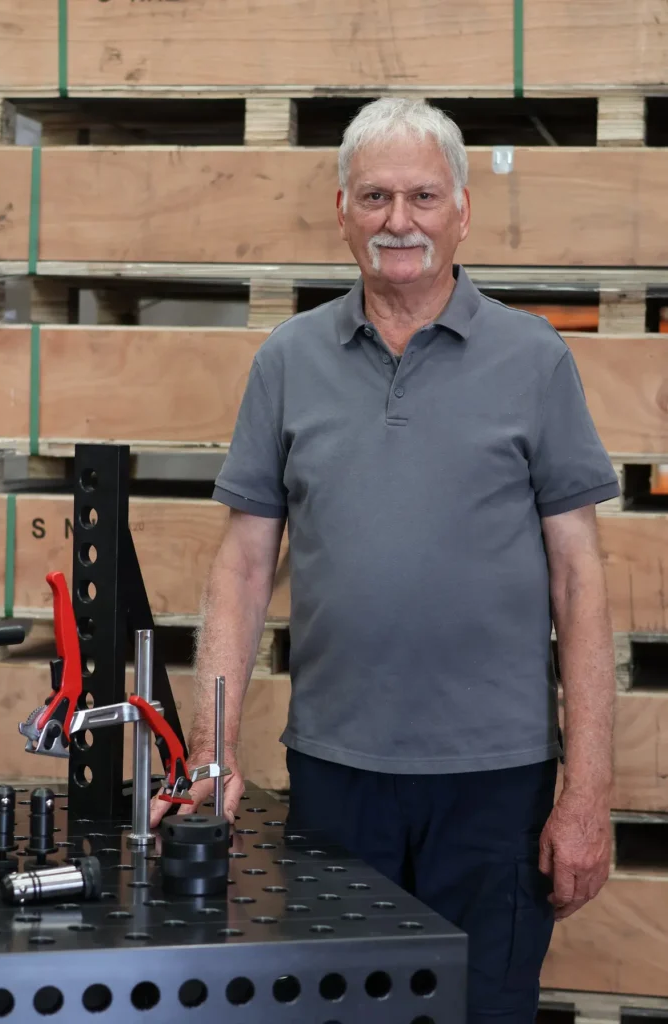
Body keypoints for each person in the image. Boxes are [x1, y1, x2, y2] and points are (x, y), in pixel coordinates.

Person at [151, 98, 619, 1024]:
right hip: (335, 784)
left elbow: (580, 582)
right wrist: (209, 751)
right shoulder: (288, 362)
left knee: (484, 1011)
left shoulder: (532, 359)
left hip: (497, 791)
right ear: (340, 211)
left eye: (420, 196)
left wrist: (587, 796)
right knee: (335, 1012)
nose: (397, 220)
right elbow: (243, 568)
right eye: (374, 197)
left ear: (460, 211)